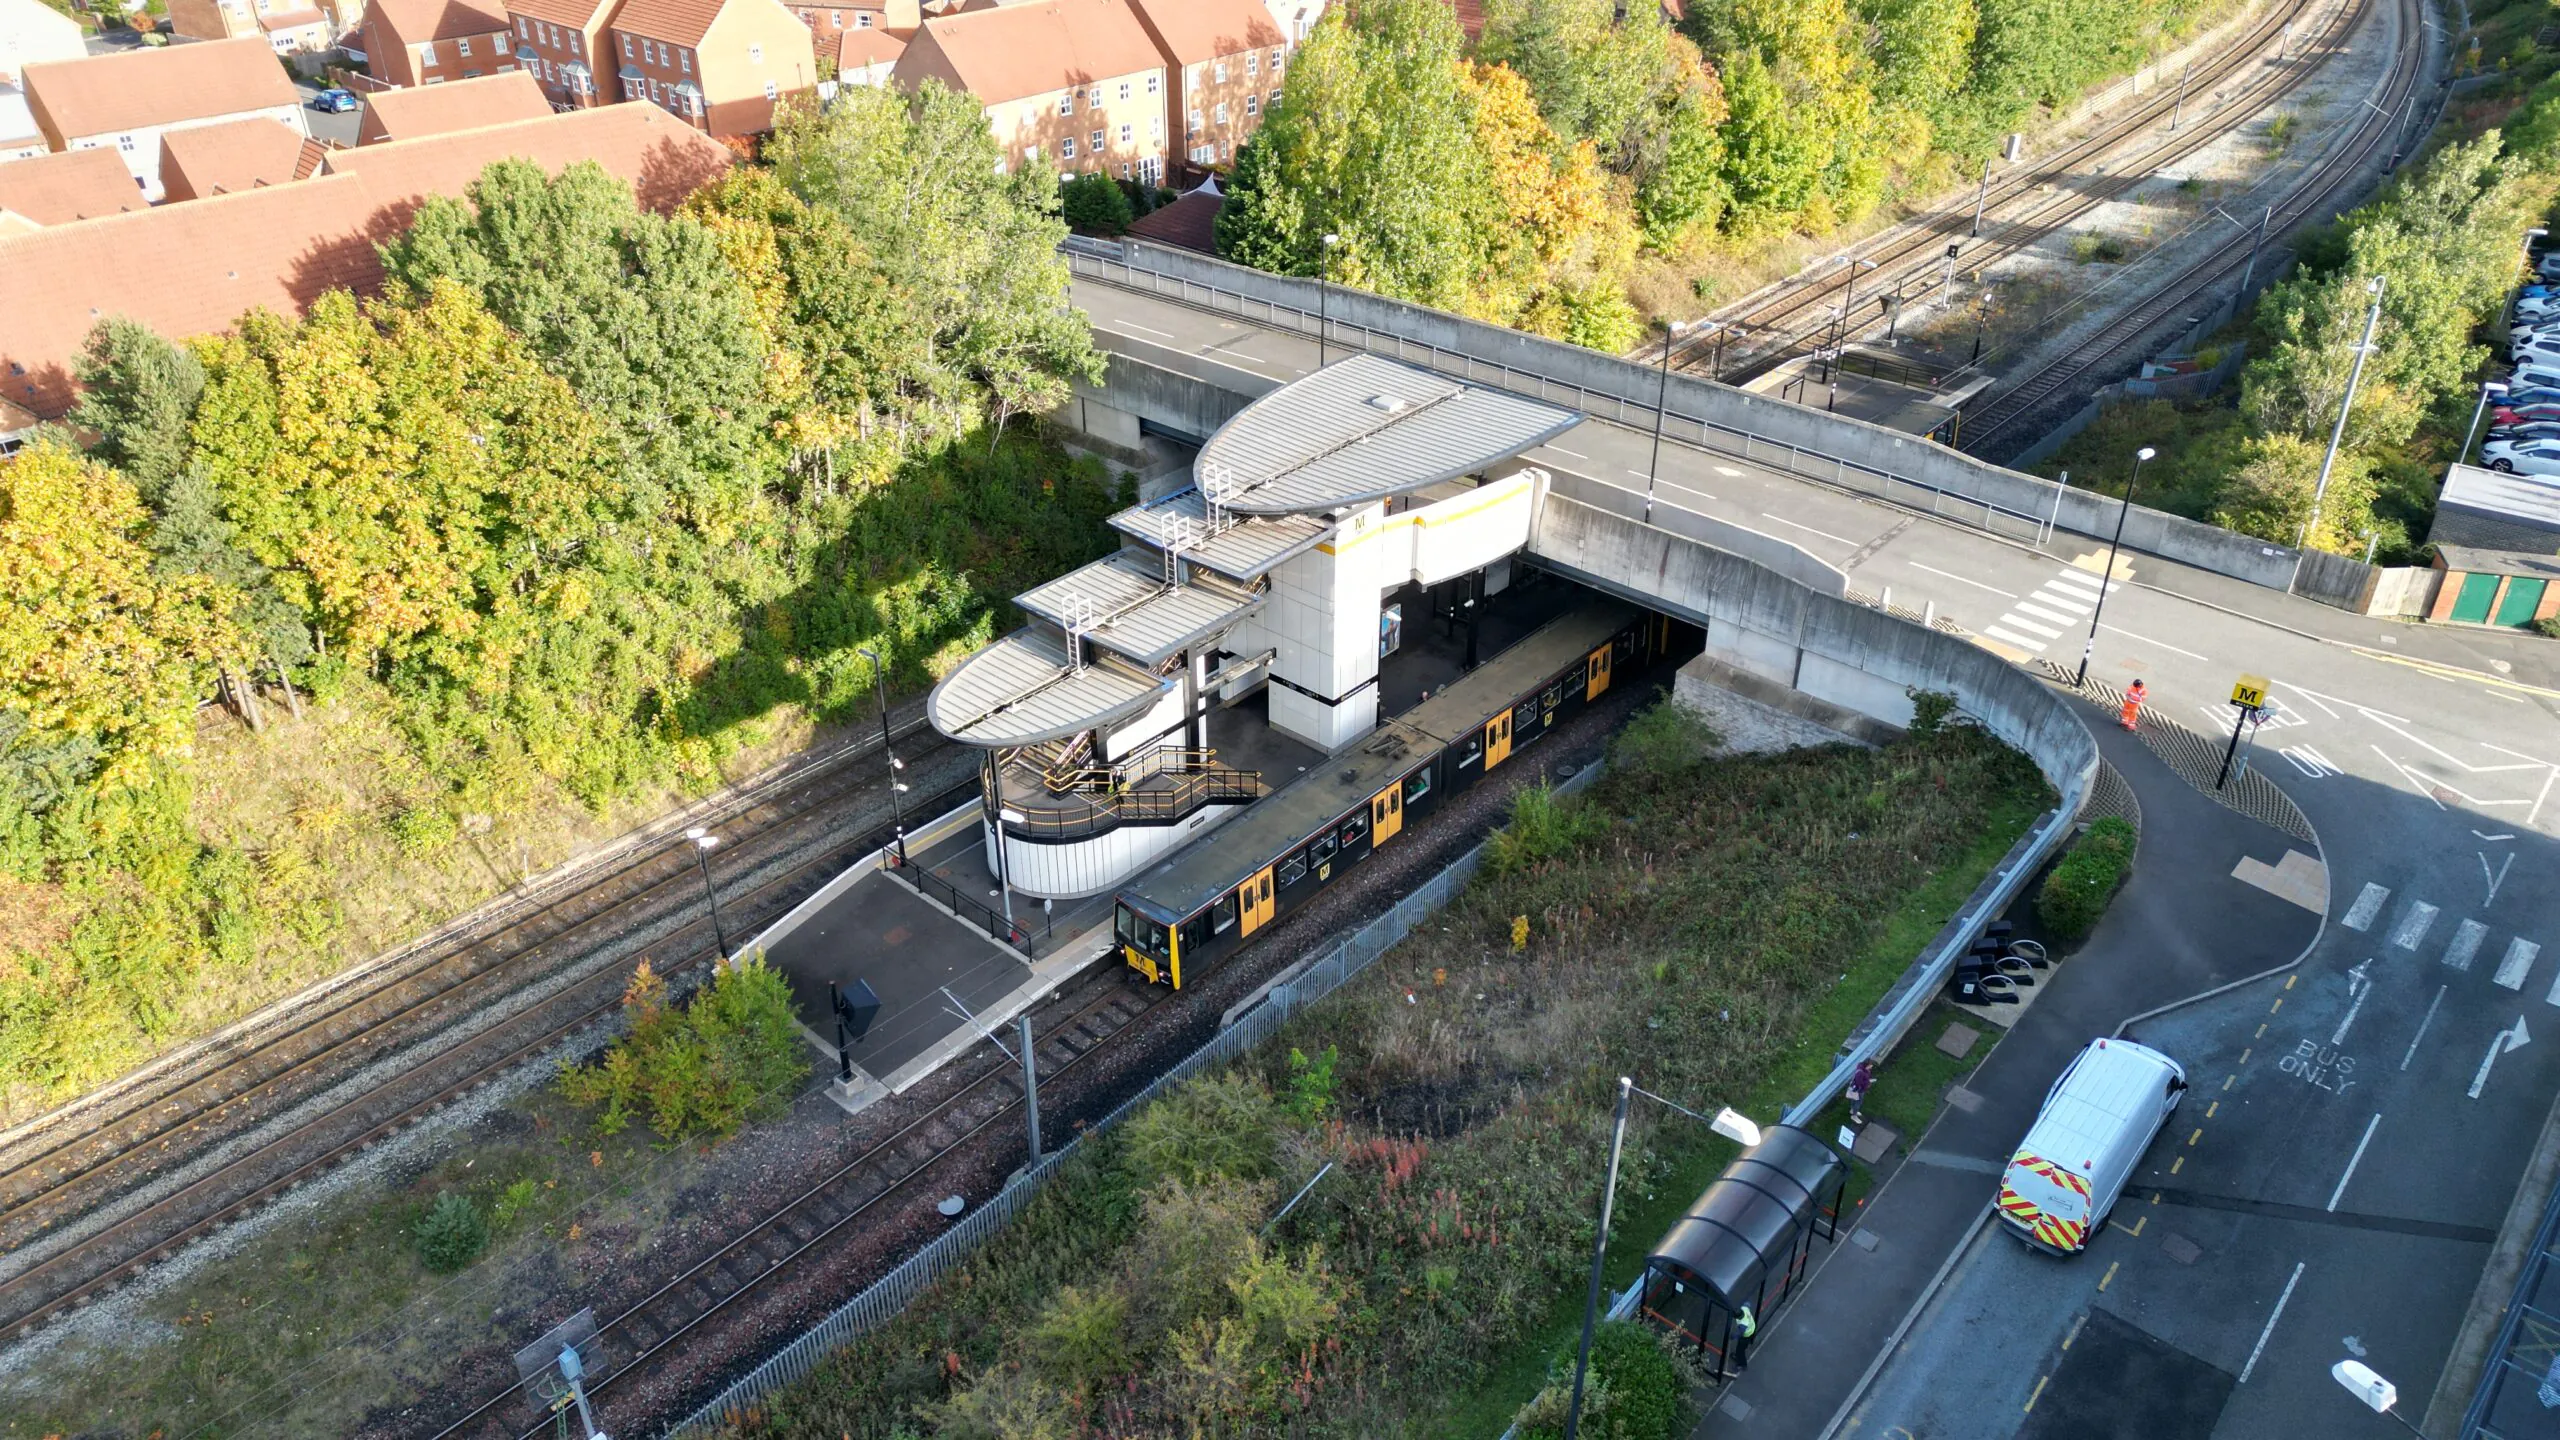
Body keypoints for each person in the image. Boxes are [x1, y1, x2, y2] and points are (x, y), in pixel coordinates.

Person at [1847, 1058, 1876, 1125]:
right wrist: (1867, 1083)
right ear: (1867, 1065)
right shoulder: (1861, 1073)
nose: (1871, 1066)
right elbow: (1859, 1083)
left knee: (1854, 1099)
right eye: (1871, 1065)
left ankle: (1852, 1110)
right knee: (1858, 1102)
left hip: (1855, 1089)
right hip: (1859, 1090)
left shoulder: (1863, 1069)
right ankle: (1854, 1116)